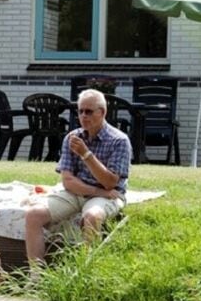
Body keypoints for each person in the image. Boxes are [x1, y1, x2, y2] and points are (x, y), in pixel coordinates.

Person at [24, 89, 130, 264]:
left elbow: (110, 182)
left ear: (102, 112)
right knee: (33, 214)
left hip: (108, 194)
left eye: (88, 111)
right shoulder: (72, 138)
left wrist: (86, 154)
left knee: (92, 217)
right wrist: (98, 192)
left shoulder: (119, 140)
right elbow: (68, 182)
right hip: (82, 193)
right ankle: (35, 276)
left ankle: (86, 272)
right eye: (80, 111)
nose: (83, 116)